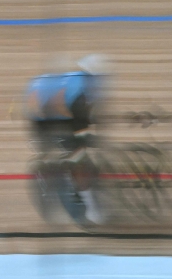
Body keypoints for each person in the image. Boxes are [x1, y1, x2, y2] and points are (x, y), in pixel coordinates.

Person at [25, 54, 109, 224]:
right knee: (79, 158)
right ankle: (91, 210)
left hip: (41, 116)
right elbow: (78, 120)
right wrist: (85, 138)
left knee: (73, 145)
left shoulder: (75, 80)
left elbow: (84, 115)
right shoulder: (82, 89)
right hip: (48, 121)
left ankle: (55, 164)